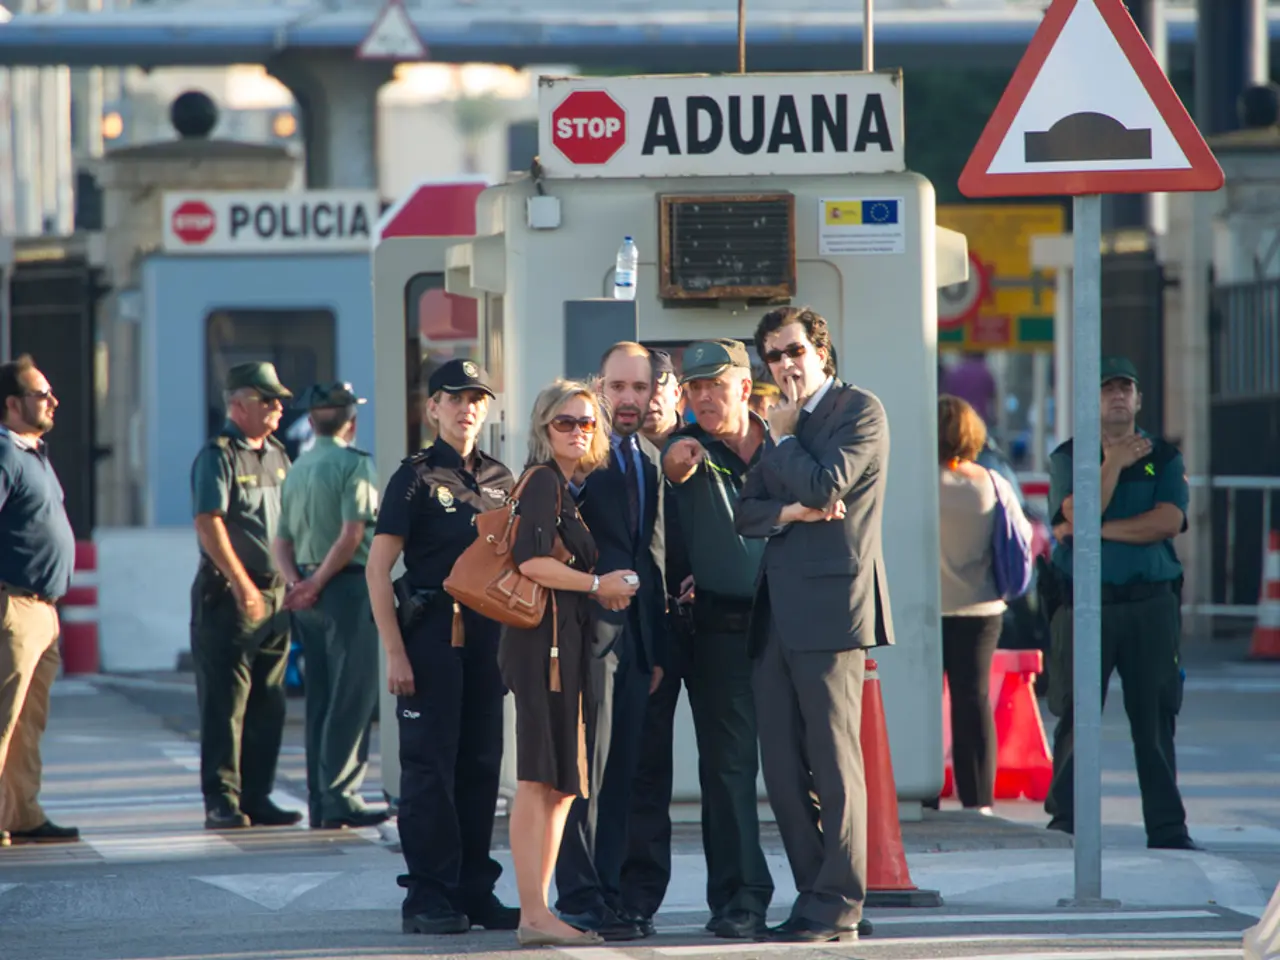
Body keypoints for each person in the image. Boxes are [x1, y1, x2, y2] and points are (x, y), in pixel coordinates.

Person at [736, 306, 894, 943]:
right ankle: (815, 895)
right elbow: (748, 511)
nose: (785, 365)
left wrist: (783, 445)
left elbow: (829, 485)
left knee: (833, 762)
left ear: (821, 352)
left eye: (794, 351)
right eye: (773, 356)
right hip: (775, 611)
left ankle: (839, 902)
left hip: (832, 610)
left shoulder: (858, 410)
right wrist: (793, 512)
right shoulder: (784, 420)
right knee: (780, 767)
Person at [365, 359, 520, 934]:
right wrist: (394, 652)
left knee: (480, 765)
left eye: (476, 399)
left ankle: (474, 890)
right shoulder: (415, 476)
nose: (466, 409)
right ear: (433, 407)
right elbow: (378, 570)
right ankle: (427, 896)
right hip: (431, 635)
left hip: (488, 636)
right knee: (429, 768)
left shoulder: (502, 478)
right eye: (454, 398)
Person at [499, 379, 639, 948]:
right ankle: (534, 912)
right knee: (539, 779)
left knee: (561, 785)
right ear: (543, 427)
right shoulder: (541, 482)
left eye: (587, 422)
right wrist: (597, 584)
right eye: (565, 422)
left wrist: (601, 588)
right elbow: (530, 561)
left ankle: (540, 911)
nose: (578, 431)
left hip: (562, 645)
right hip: (542, 649)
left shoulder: (564, 486)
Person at [1043, 356, 1199, 850]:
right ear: (1090, 400)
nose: (1117, 396)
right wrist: (1112, 464)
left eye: (1124, 388)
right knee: (1077, 715)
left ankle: (1167, 827)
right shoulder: (1070, 457)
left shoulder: (1164, 457)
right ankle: (1066, 821)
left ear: (1138, 399)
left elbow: (1168, 522)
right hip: (1087, 604)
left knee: (1155, 717)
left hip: (1149, 603)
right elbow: (1074, 512)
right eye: (1107, 387)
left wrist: (1097, 530)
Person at [659, 339, 775, 938]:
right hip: (722, 632)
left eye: (715, 385)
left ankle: (826, 894)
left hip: (792, 626)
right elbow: (672, 465)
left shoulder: (787, 445)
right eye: (694, 387)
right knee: (728, 772)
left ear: (745, 388)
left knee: (810, 769)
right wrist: (676, 458)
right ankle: (740, 898)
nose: (703, 397)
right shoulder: (686, 448)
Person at [555, 342, 668, 942]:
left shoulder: (648, 460)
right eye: (618, 387)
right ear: (599, 386)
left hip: (635, 645)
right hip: (583, 639)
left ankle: (613, 895)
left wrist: (654, 650)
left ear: (653, 394)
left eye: (639, 388)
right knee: (585, 776)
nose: (628, 399)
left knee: (621, 775)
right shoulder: (575, 457)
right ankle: (580, 898)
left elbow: (649, 557)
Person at [190, 362, 300, 830]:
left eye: (279, 400)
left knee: (269, 701)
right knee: (226, 703)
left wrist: (293, 579)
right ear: (238, 405)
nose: (278, 408)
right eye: (267, 400)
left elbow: (288, 522)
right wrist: (241, 584)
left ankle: (258, 795)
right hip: (232, 595)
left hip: (275, 592)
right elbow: (209, 522)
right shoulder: (219, 455)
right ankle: (222, 800)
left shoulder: (277, 453)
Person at [272, 381, 386, 831]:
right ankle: (341, 795)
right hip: (346, 589)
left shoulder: (297, 468)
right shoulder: (355, 464)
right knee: (352, 695)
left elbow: (280, 541)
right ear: (351, 423)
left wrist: (297, 584)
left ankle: (321, 798)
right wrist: (318, 582)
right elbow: (352, 533)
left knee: (319, 697)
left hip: (306, 590)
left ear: (311, 421)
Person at [618, 348, 693, 936]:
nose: (643, 398)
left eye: (651, 386)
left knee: (657, 773)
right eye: (628, 387)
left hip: (699, 627)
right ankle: (623, 894)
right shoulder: (615, 460)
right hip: (637, 631)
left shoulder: (701, 448)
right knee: (631, 768)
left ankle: (645, 893)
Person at [937, 394, 1032, 814]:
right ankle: (978, 801)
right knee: (972, 701)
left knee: (924, 702)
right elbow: (1022, 537)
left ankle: (923, 794)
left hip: (924, 610)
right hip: (981, 609)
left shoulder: (915, 484)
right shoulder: (993, 484)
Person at [0, 355, 79, 847]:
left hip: (42, 611)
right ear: (12, 404)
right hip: (14, 607)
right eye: (40, 394)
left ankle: (21, 814)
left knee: (28, 724)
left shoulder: (32, 454)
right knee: (3, 720)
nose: (53, 401)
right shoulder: (5, 454)